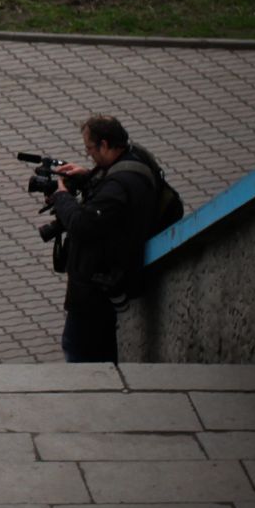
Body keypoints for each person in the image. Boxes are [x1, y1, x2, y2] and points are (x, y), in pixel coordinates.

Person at [43, 114, 161, 364]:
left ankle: (91, 395)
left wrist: (62, 197)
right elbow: (113, 195)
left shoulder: (117, 187)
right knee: (101, 348)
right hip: (111, 275)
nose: (89, 155)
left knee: (78, 347)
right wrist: (88, 176)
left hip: (95, 285)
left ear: (105, 145)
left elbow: (82, 224)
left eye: (90, 149)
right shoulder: (136, 159)